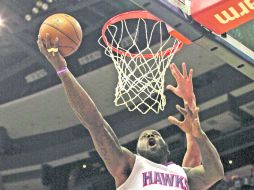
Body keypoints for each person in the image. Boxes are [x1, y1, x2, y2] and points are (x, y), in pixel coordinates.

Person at [37, 33, 224, 190]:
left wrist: (198, 130)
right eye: (145, 137)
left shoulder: (182, 173)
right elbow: (96, 125)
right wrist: (62, 69)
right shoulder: (129, 166)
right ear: (137, 152)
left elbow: (214, 173)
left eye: (154, 136)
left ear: (167, 149)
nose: (150, 134)